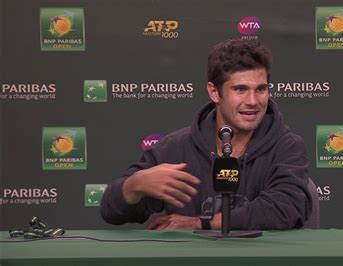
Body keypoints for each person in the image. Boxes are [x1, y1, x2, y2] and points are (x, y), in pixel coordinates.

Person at [100, 38, 313, 230]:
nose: (253, 101)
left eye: (261, 89)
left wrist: (200, 223)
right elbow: (111, 212)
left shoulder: (287, 146)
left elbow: (286, 209)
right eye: (240, 89)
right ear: (214, 92)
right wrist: (135, 186)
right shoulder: (175, 148)